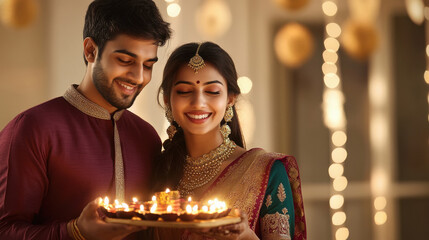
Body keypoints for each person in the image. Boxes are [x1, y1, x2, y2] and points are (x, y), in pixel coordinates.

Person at [0, 0, 171, 239]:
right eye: (125, 61)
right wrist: (75, 232)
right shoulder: (32, 129)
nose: (139, 77)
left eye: (148, 65)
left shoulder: (147, 136)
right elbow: (5, 230)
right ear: (91, 50)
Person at [153, 42, 306, 239]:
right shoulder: (157, 169)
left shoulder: (265, 171)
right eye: (184, 91)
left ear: (230, 98)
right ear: (167, 99)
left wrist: (245, 236)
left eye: (212, 92)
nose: (198, 102)